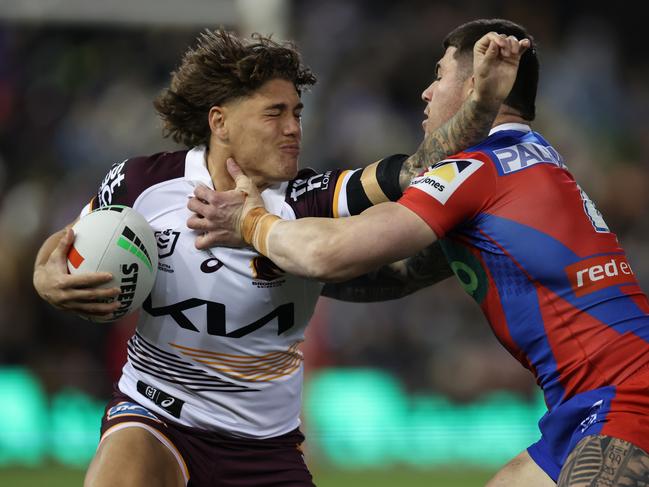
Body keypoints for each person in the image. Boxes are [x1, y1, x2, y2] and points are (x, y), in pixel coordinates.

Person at [32, 29, 525, 486]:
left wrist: (481, 104)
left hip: (265, 449)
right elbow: (77, 242)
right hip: (156, 416)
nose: (293, 128)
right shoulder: (141, 185)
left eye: (298, 113)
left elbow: (417, 169)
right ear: (219, 121)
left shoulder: (310, 199)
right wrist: (44, 276)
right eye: (275, 113)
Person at [198, 19, 649, 487]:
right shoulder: (532, 156)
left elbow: (330, 253)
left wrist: (248, 222)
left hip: (627, 400)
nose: (426, 93)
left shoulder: (476, 169)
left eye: (438, 75)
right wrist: (268, 267)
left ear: (476, 84)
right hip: (588, 406)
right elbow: (396, 275)